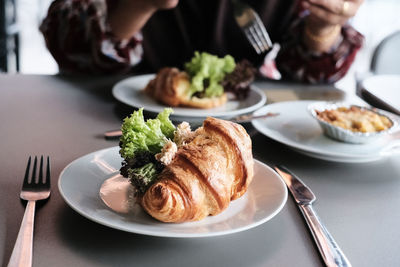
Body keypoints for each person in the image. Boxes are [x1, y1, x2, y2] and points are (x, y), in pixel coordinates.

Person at [40, 0, 364, 83]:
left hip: (248, 135)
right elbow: (63, 42)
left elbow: (311, 76)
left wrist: (322, 28)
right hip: (106, 128)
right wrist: (139, 4)